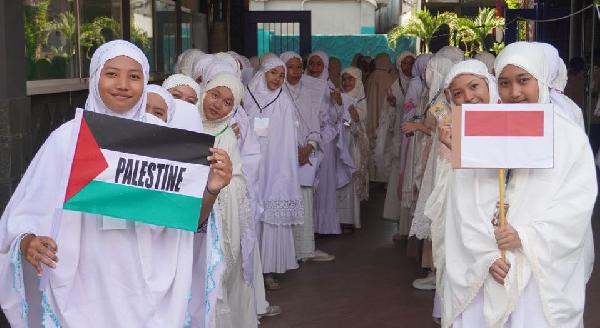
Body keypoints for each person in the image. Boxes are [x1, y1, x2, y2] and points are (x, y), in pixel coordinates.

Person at [0, 40, 233, 327]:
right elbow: (27, 211)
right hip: (82, 287)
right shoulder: (68, 139)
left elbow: (191, 220)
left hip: (147, 289)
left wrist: (211, 187)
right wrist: (27, 242)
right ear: (96, 76)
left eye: (134, 76)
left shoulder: (164, 142)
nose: (123, 84)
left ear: (145, 82)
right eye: (111, 74)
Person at [442, 41, 596, 328]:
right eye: (504, 83)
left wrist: (525, 236)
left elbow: (576, 205)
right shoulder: (478, 131)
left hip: (537, 271)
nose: (514, 92)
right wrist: (485, 256)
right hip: (489, 266)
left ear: (540, 79)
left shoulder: (568, 138)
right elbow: (462, 203)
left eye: (523, 81)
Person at [427, 59, 499, 325]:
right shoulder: (449, 118)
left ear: (489, 84)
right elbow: (463, 182)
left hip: (500, 222)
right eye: (458, 93)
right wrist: (456, 147)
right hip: (467, 217)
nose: (468, 97)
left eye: (474, 86)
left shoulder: (508, 116)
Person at [188, 73, 257, 328]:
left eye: (228, 102)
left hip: (211, 221)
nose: (218, 104)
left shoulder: (227, 135)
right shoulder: (184, 122)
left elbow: (237, 180)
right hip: (180, 219)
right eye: (215, 95)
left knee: (207, 283)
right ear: (204, 91)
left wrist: (220, 184)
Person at [243, 57, 304, 290]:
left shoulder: (284, 101)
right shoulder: (247, 95)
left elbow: (288, 138)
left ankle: (267, 269)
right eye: (273, 74)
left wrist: (283, 167)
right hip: (251, 165)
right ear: (264, 72)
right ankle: (250, 268)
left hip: (274, 167)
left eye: (281, 75)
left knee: (269, 212)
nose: (277, 79)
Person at [280, 51, 335, 262]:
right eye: (291, 67)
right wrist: (292, 149)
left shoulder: (306, 92)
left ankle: (305, 249)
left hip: (305, 155)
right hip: (284, 156)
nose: (296, 72)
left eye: (298, 67)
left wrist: (309, 147)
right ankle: (287, 252)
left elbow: (314, 122)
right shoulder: (278, 93)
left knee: (305, 200)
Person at [307, 51, 355, 235]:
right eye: (311, 64)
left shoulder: (330, 88)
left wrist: (338, 104)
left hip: (325, 140)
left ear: (325, 67)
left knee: (324, 184)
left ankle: (323, 226)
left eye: (319, 65)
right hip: (305, 141)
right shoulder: (299, 85)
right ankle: (307, 228)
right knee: (307, 184)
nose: (314, 68)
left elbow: (341, 120)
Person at [395, 53, 432, 240]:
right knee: (414, 178)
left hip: (424, 138)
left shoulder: (435, 91)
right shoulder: (418, 84)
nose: (428, 72)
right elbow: (409, 110)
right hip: (416, 137)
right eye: (426, 68)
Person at [382, 51, 416, 224]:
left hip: (414, 136)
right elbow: (387, 115)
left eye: (411, 63)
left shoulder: (419, 84)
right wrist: (393, 107)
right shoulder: (395, 86)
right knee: (398, 173)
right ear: (399, 65)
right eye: (404, 63)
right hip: (399, 136)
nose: (408, 67)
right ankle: (398, 218)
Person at [338, 67, 370, 230]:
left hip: (353, 144)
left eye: (351, 79)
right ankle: (339, 218)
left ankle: (350, 219)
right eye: (344, 79)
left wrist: (347, 107)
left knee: (351, 177)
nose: (346, 83)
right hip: (341, 144)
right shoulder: (339, 96)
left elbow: (356, 119)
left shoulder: (359, 98)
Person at [365, 53, 399, 182]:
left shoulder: (371, 75)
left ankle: (372, 176)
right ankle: (381, 177)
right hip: (381, 115)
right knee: (381, 144)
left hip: (371, 114)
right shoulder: (386, 77)